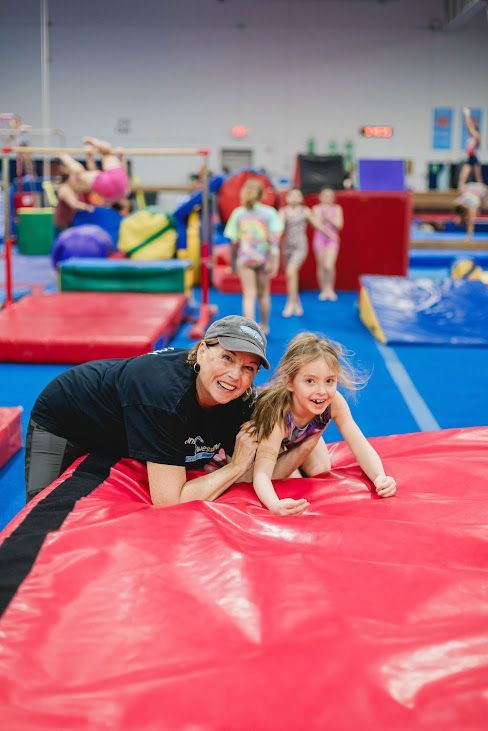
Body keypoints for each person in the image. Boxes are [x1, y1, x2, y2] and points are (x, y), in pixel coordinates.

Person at [25, 316, 315, 507]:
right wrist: (236, 466)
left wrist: (310, 438)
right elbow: (169, 501)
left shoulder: (236, 398)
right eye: (227, 358)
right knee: (43, 512)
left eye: (248, 368)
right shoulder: (163, 395)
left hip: (119, 424)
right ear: (202, 351)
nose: (234, 376)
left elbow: (261, 474)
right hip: (65, 418)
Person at [249, 332, 397, 516]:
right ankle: (293, 466)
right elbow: (262, 474)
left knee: (321, 470)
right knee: (282, 482)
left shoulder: (334, 402)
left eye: (329, 381)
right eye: (310, 381)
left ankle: (297, 459)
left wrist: (380, 477)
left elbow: (360, 445)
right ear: (290, 383)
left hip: (297, 438)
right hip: (267, 448)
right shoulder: (279, 414)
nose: (321, 391)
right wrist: (275, 505)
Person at [224, 179, 283, 334]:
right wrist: (275, 261)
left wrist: (232, 263)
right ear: (262, 194)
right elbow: (274, 239)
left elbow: (233, 241)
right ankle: (264, 326)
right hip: (264, 257)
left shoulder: (238, 213)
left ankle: (250, 330)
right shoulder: (269, 212)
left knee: (249, 295)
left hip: (245, 257)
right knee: (264, 294)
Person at [279, 187, 326, 317]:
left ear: (301, 198)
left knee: (291, 271)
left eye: (297, 195)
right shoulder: (283, 211)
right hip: (287, 247)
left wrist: (330, 234)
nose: (294, 198)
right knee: (290, 275)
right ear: (287, 198)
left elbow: (317, 224)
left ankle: (290, 302)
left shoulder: (305, 211)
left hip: (300, 247)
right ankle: (296, 301)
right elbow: (279, 227)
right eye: (291, 195)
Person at [58, 136, 130, 207]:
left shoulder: (125, 192)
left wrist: (122, 157)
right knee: (81, 173)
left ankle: (95, 143)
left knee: (107, 153)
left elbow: (124, 173)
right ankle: (65, 157)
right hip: (108, 191)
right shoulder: (109, 201)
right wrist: (122, 157)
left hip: (118, 182)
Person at [312, 187, 344, 301]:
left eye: (330, 196)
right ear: (320, 197)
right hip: (320, 239)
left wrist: (328, 218)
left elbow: (339, 225)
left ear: (333, 198)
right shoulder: (316, 209)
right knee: (321, 266)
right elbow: (316, 224)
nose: (327, 198)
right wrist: (330, 233)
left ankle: (330, 288)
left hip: (332, 241)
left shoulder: (337, 208)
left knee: (329, 266)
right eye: (325, 195)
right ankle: (323, 290)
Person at [53, 158, 94, 232]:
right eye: (75, 176)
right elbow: (74, 204)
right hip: (63, 225)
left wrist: (89, 157)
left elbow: (91, 184)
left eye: (78, 176)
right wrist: (87, 207)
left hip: (71, 223)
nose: (78, 178)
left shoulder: (75, 187)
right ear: (69, 175)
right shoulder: (64, 188)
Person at [458, 108, 482, 188]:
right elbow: (470, 127)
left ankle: (482, 192)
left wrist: (467, 114)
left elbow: (470, 126)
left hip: (474, 157)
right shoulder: (471, 138)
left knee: (478, 179)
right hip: (470, 157)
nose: (469, 131)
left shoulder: (476, 135)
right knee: (463, 177)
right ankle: (461, 189)